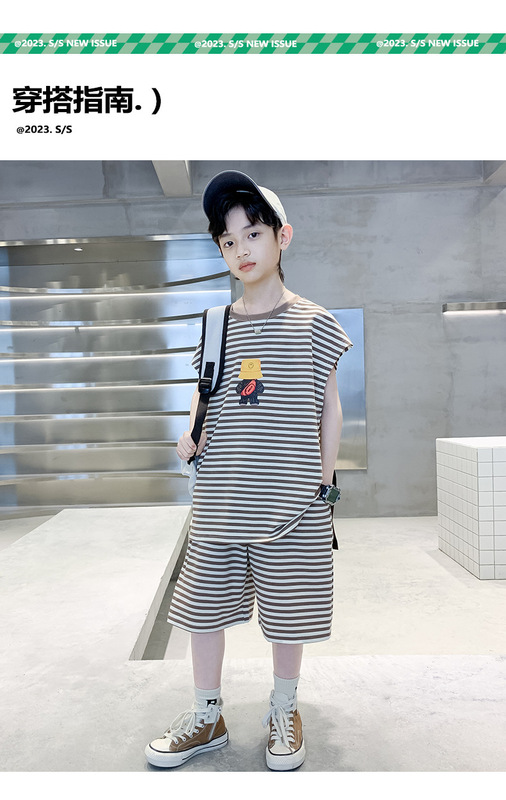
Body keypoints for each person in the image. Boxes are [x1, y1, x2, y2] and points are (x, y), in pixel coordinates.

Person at [145, 170, 353, 771]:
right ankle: (207, 715)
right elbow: (204, 393)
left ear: (282, 236)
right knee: (201, 608)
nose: (242, 249)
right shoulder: (216, 323)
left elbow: (329, 406)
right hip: (221, 498)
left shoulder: (314, 322)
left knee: (290, 612)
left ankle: (284, 708)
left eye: (253, 234)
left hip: (291, 502)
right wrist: (191, 432)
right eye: (228, 241)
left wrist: (323, 483)